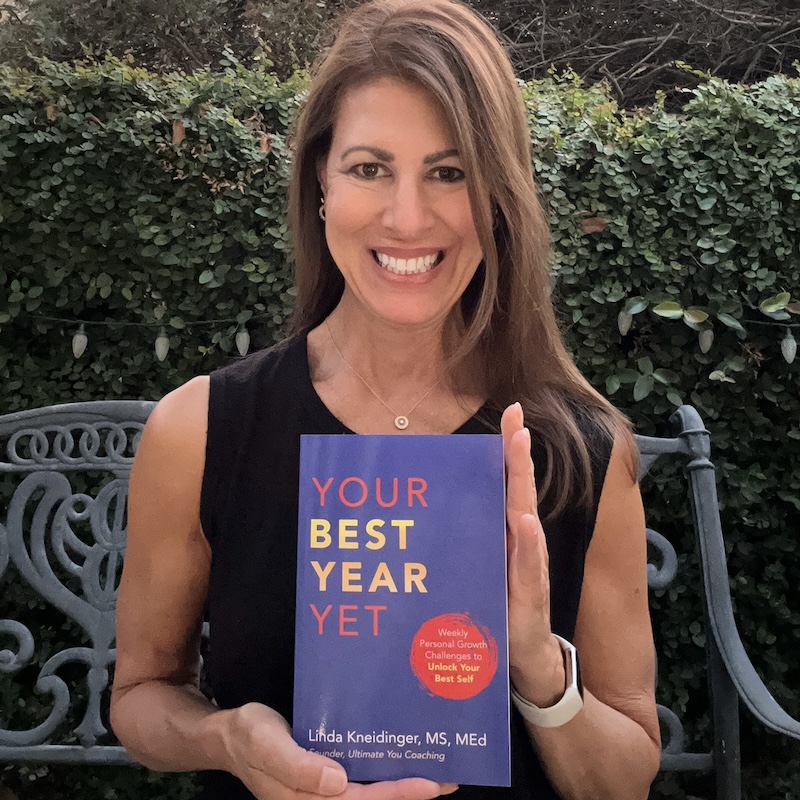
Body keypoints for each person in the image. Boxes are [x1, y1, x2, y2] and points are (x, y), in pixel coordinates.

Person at [110, 0, 661, 798]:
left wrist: (537, 664)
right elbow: (140, 695)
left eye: (450, 172)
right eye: (370, 168)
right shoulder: (198, 431)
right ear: (321, 183)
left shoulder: (583, 453)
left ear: (498, 195)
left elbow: (626, 780)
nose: (407, 218)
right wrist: (225, 738)